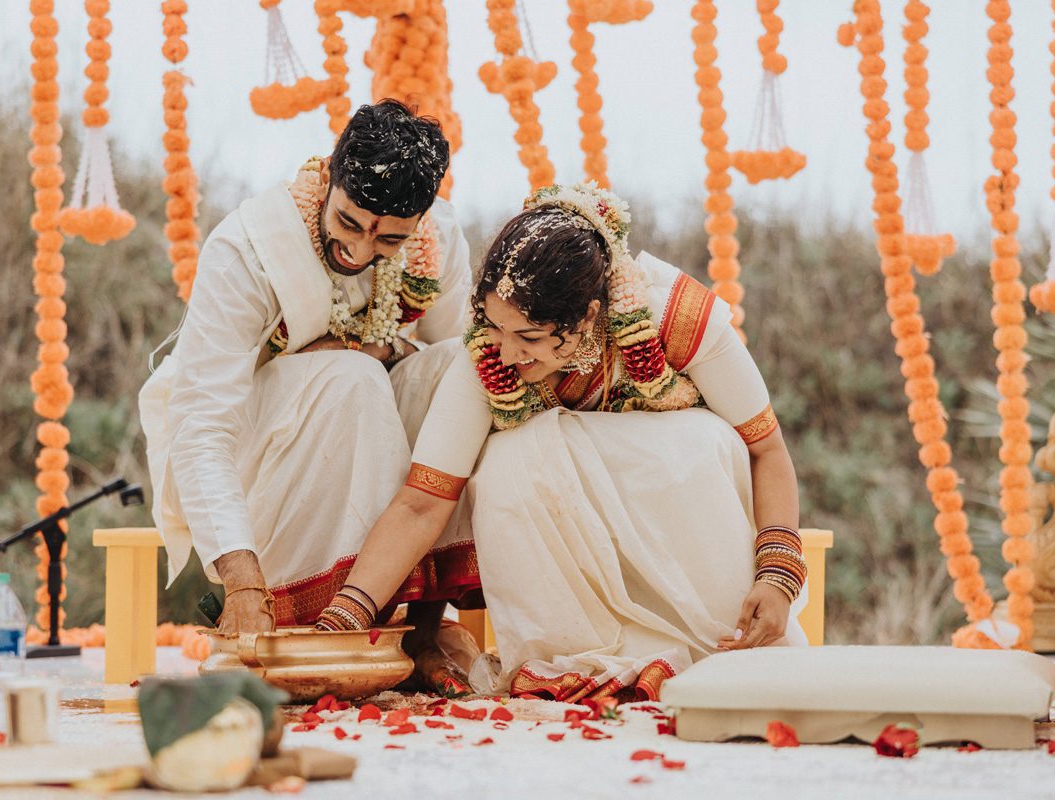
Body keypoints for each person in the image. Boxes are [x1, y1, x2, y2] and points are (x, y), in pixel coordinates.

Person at [315, 182, 808, 702]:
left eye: (528, 338)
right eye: (496, 327)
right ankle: (574, 660)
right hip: (574, 588)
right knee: (507, 460)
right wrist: (344, 615)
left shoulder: (676, 318)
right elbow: (424, 500)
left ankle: (709, 644)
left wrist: (777, 577)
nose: (506, 353)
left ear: (590, 316)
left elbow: (767, 449)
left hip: (684, 531)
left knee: (704, 440)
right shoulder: (490, 351)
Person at [139, 100, 481, 687]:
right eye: (350, 222)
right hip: (257, 458)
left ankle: (420, 630)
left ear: (420, 221)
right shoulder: (248, 251)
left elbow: (460, 359)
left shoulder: (437, 238)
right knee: (351, 378)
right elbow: (201, 427)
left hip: (364, 418)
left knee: (461, 371)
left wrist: (392, 352)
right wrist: (241, 576)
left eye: (389, 238)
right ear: (328, 177)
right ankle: (309, 615)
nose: (362, 250)